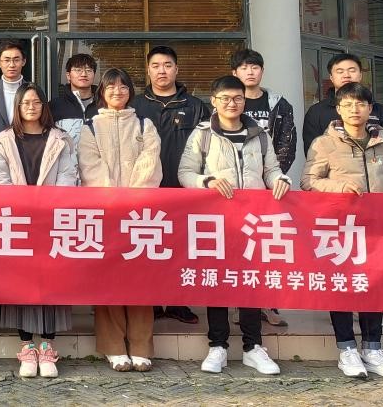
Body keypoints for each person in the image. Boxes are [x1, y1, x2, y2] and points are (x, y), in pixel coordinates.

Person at [302, 82, 383, 380]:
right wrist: (339, 186)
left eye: (360, 104)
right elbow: (308, 181)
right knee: (342, 287)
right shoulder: (324, 143)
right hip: (340, 227)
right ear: (338, 109)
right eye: (348, 104)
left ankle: (373, 349)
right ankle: (347, 349)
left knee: (374, 285)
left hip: (375, 229)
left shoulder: (381, 142)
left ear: (370, 109)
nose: (355, 109)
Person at [177, 75, 289, 377]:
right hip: (217, 221)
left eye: (237, 98)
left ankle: (253, 347)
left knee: (251, 283)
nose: (232, 103)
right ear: (214, 101)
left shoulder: (259, 134)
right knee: (218, 283)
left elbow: (271, 169)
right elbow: (185, 173)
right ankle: (218, 346)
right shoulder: (203, 135)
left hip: (253, 221)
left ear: (244, 100)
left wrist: (279, 180)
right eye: (225, 98)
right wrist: (207, 181)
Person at [0, 84, 78, 379]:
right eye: (25, 102)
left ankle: (48, 346)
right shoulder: (3, 141)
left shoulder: (59, 139)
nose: (31, 106)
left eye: (36, 102)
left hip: (52, 221)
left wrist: (49, 207)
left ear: (44, 106)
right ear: (17, 107)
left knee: (51, 281)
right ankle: (27, 346)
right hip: (17, 222)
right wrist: (23, 208)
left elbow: (68, 177)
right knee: (21, 282)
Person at [78, 67, 161, 373]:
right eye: (111, 87)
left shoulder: (144, 124)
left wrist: (133, 199)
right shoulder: (90, 126)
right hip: (105, 213)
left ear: (130, 91)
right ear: (102, 92)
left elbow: (150, 161)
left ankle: (141, 346)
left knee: (141, 279)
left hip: (139, 214)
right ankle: (113, 346)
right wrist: (112, 200)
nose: (117, 91)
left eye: (123, 86)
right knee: (109, 280)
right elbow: (90, 166)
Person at [130, 45, 209, 325]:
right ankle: (150, 302)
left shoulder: (196, 106)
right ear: (148, 70)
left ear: (176, 69)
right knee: (147, 245)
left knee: (181, 247)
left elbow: (208, 148)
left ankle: (178, 302)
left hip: (183, 189)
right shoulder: (135, 106)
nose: (161, 71)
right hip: (145, 189)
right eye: (155, 66)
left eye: (167, 65)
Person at [230, 48, 298, 328]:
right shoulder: (229, 101)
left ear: (262, 71)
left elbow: (287, 144)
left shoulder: (279, 104)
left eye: (255, 67)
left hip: (268, 190)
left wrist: (273, 179)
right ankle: (240, 305)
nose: (250, 72)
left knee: (267, 248)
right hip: (235, 191)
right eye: (244, 67)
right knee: (238, 248)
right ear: (235, 72)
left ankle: (269, 305)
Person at [303, 53, 383, 168]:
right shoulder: (317, 112)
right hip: (335, 178)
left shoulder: (378, 110)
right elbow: (313, 152)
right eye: (340, 71)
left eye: (352, 70)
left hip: (374, 175)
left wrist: (379, 173)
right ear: (331, 77)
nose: (346, 75)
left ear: (360, 75)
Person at [50, 52, 98, 151]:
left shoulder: (104, 105)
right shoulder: (55, 106)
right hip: (67, 160)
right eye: (78, 70)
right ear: (68, 76)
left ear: (94, 75)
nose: (84, 74)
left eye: (88, 70)